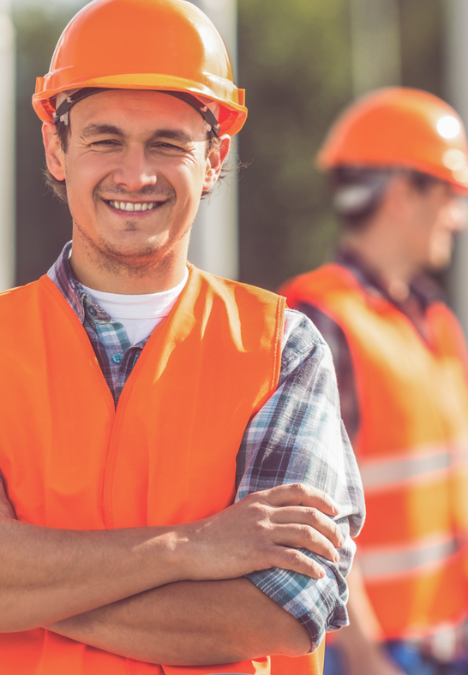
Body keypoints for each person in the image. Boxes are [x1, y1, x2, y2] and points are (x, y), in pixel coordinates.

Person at [0, 1, 363, 673]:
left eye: (167, 144)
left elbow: (282, 614)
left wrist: (28, 586)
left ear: (214, 156)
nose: (135, 174)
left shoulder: (283, 349)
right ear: (57, 148)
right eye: (105, 139)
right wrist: (192, 548)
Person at [279, 87, 468, 675]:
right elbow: (312, 512)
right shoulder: (320, 320)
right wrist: (367, 654)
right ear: (404, 195)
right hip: (376, 655)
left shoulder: (435, 321)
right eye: (451, 195)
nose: (462, 216)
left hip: (454, 642)